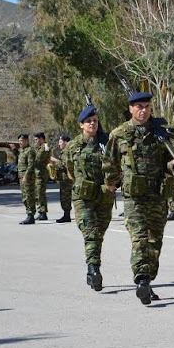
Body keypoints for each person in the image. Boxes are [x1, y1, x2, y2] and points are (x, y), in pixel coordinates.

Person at [103, 91, 174, 305]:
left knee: (155, 242)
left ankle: (148, 281)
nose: (143, 110)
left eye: (146, 106)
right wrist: (110, 182)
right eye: (139, 107)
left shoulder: (160, 133)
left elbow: (170, 161)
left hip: (156, 195)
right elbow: (109, 161)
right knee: (139, 240)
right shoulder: (120, 134)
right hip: (133, 198)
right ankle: (142, 280)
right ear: (131, 109)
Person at [65, 107, 114, 291]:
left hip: (104, 196)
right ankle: (94, 270)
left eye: (94, 120)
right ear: (81, 125)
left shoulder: (107, 143)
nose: (92, 123)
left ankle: (92, 269)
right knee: (91, 233)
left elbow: (117, 165)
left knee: (99, 233)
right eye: (88, 121)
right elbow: (69, 168)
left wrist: (112, 182)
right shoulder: (74, 146)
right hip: (83, 197)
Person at [50, 135, 73, 223]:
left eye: (60, 142)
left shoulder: (68, 152)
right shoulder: (63, 152)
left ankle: (67, 216)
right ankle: (66, 215)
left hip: (67, 179)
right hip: (63, 179)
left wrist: (55, 160)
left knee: (66, 197)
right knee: (64, 197)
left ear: (65, 142)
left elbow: (65, 164)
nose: (59, 144)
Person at [17, 134, 36, 225]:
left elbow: (31, 165)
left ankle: (31, 215)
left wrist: (26, 176)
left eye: (21, 140)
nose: (20, 142)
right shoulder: (22, 151)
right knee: (24, 197)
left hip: (27, 178)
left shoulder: (30, 151)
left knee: (29, 197)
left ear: (26, 141)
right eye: (19, 141)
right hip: (22, 177)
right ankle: (29, 214)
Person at [33, 132, 50, 221]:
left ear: (41, 139)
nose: (35, 141)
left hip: (41, 174)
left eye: (36, 139)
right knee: (38, 193)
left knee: (40, 193)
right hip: (37, 173)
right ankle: (41, 212)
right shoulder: (39, 148)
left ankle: (43, 213)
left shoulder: (45, 147)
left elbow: (37, 160)